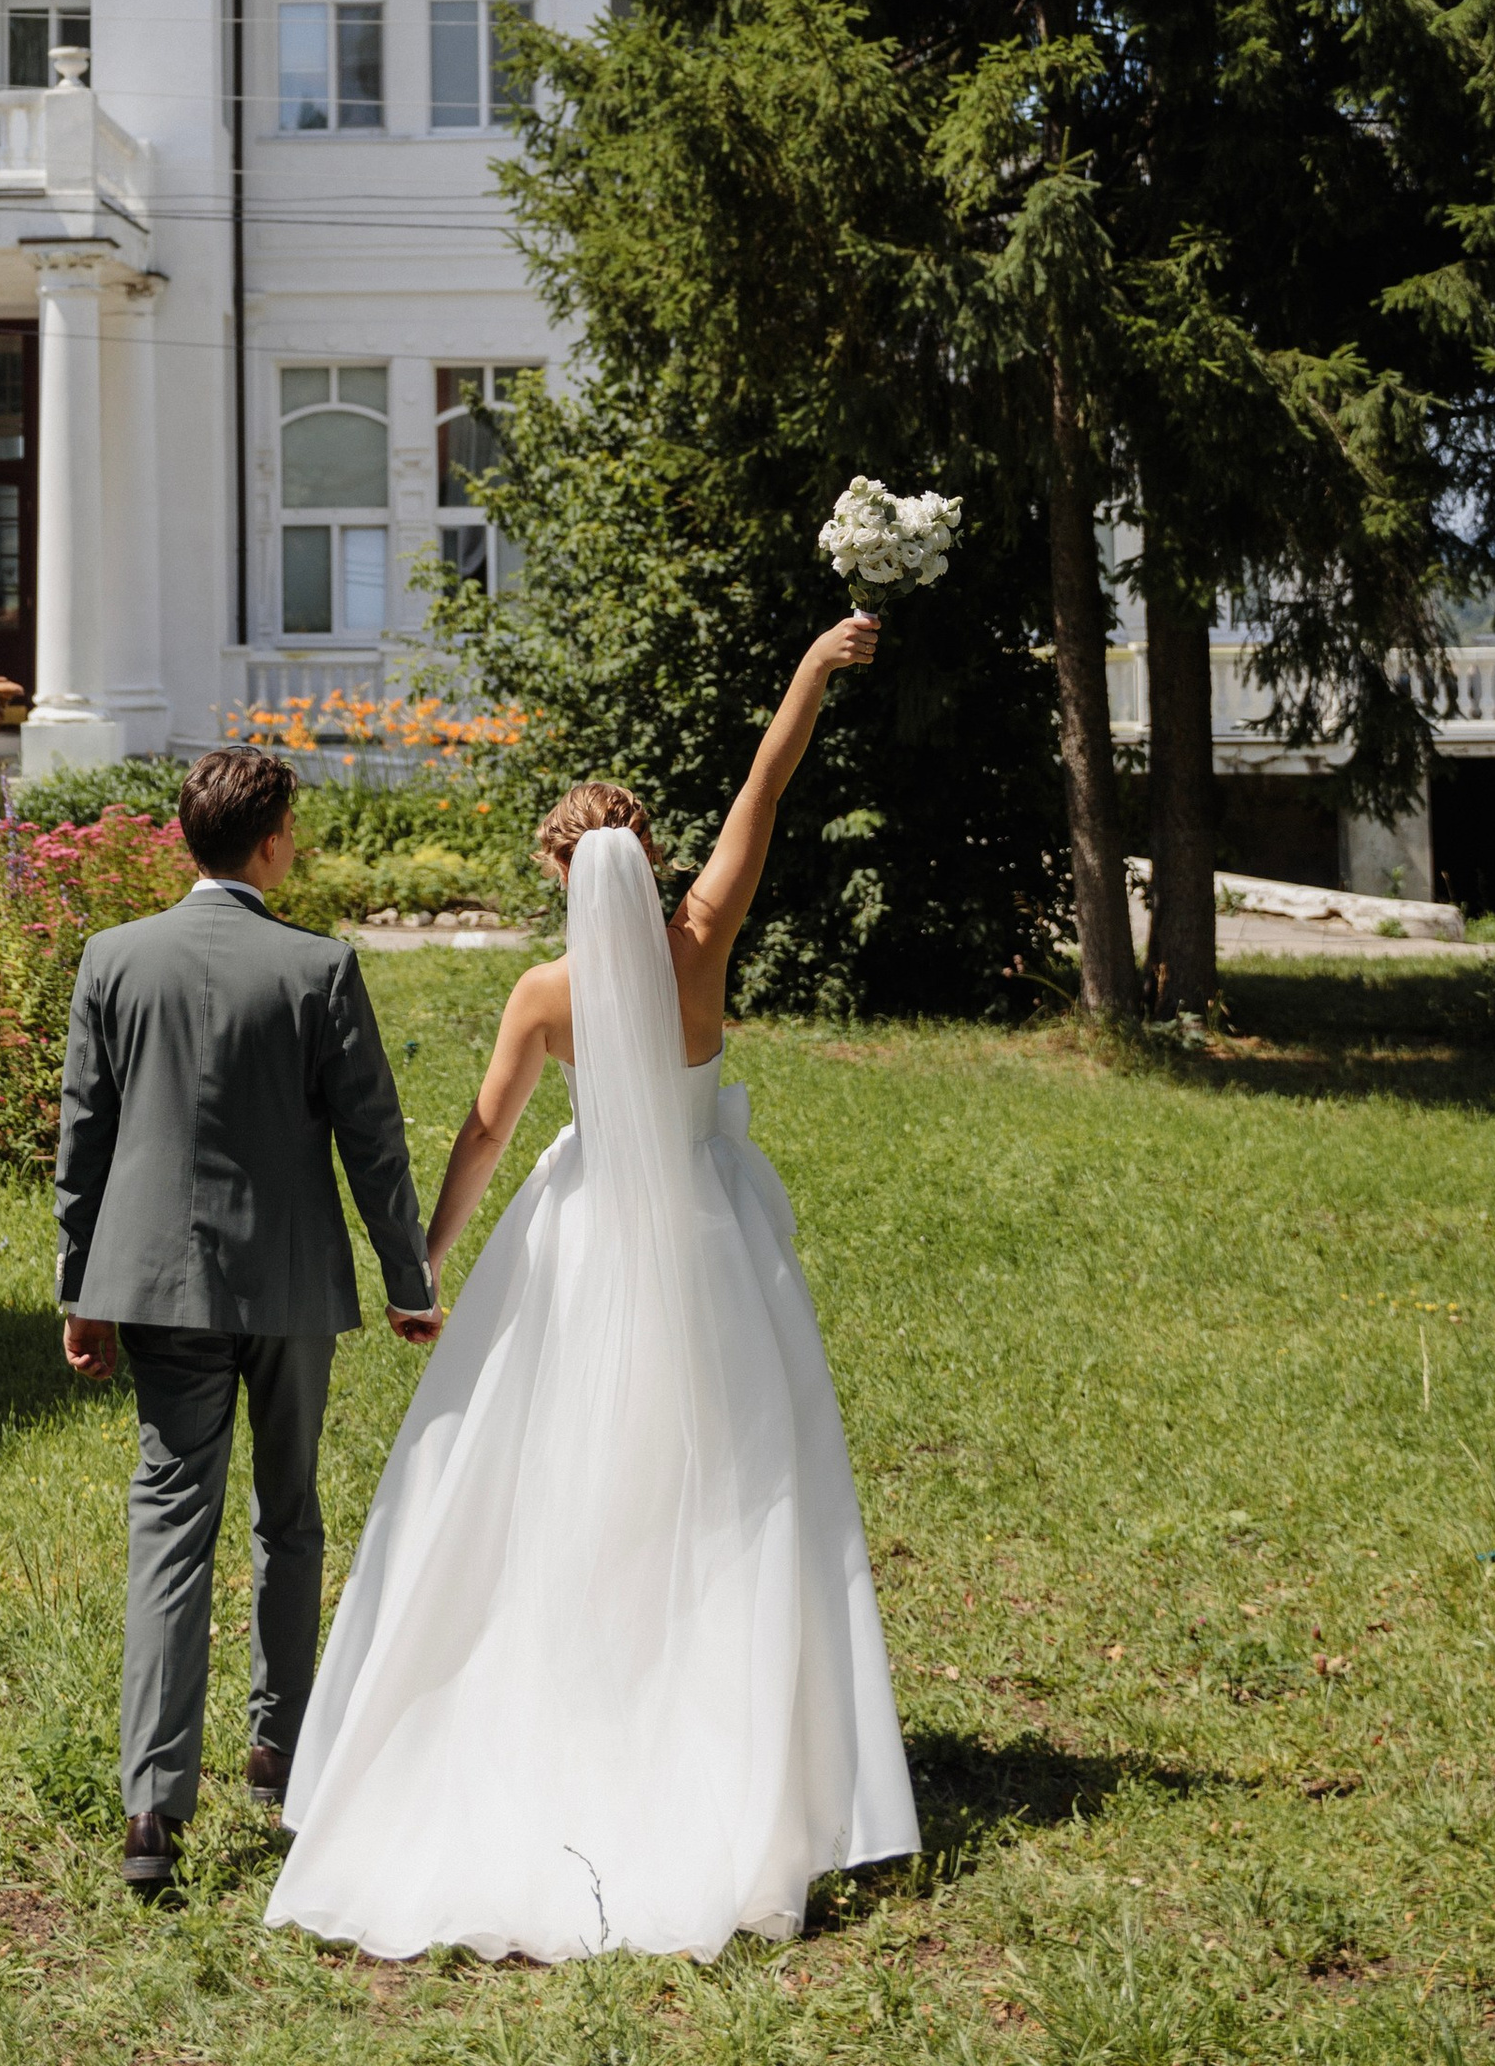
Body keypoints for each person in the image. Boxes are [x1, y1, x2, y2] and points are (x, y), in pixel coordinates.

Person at [265, 614, 920, 1963]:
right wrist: (806, 668)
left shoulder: (543, 993)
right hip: (709, 1235)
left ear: (567, 874)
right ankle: (738, 1730)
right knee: (741, 1484)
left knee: (541, 1476)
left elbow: (487, 1137)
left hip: (576, 1246)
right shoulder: (704, 936)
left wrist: (427, 1260)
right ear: (652, 860)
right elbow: (766, 787)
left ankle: (563, 1691)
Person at [54, 742, 443, 1900]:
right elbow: (372, 1140)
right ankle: (281, 1755)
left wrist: (80, 1287)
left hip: (156, 1286)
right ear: (271, 837)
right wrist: (407, 1281)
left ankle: (150, 1810)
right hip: (288, 1288)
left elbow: (85, 1138)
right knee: (290, 1517)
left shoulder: (114, 959)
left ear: (188, 837)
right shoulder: (319, 968)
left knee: (170, 1527)